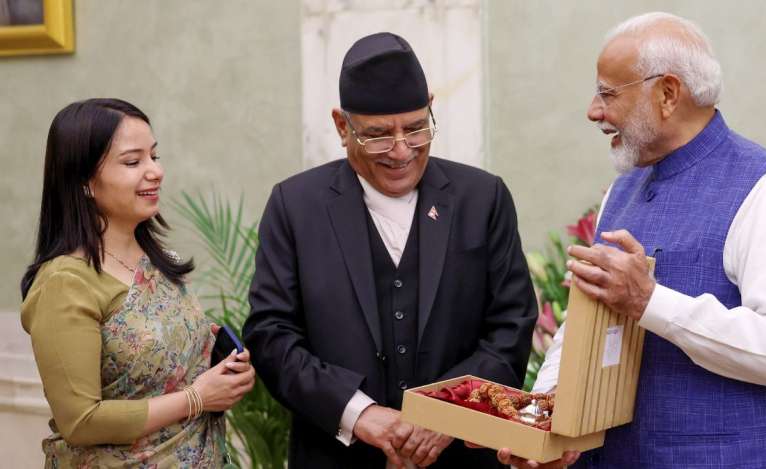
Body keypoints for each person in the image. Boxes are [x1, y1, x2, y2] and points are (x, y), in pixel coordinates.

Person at [496, 12, 766, 469]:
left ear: (668, 94)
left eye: (608, 93)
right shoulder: (623, 188)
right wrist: (548, 416)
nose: (593, 110)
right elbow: (587, 325)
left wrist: (650, 301)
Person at [243, 32, 537, 468]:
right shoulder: (294, 206)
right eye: (378, 136)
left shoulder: (483, 198)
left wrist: (447, 413)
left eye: (417, 128)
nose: (401, 151)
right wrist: (360, 414)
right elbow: (271, 335)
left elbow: (511, 326)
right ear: (342, 126)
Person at [20, 98, 256, 467]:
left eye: (154, 156)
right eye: (133, 162)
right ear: (84, 182)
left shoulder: (159, 263)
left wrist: (221, 372)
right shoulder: (65, 283)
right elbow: (80, 421)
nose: (155, 172)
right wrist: (197, 398)